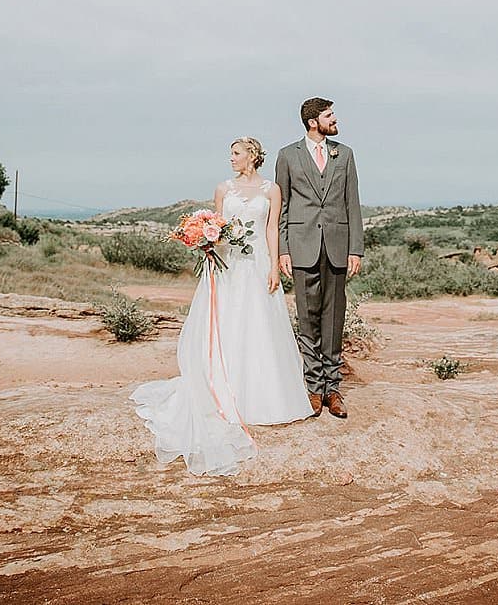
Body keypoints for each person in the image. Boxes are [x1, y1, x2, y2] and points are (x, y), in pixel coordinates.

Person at [131, 137, 312, 476]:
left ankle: (260, 397)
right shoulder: (222, 189)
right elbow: (216, 227)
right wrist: (205, 243)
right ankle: (221, 390)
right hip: (226, 267)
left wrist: (273, 266)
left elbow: (272, 229)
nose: (231, 158)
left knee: (260, 327)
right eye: (230, 153)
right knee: (225, 323)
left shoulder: (272, 190)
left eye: (236, 153)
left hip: (256, 264)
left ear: (252, 156)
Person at [275, 98, 364, 419]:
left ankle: (333, 388)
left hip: (338, 246)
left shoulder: (346, 154)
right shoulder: (287, 156)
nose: (335, 119)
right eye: (329, 115)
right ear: (313, 121)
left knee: (334, 317)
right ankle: (313, 387)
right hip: (301, 246)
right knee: (307, 317)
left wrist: (356, 248)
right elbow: (281, 208)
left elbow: (352, 203)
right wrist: (283, 249)